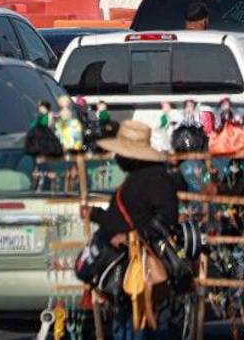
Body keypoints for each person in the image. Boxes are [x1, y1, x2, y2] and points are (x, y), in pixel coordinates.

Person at [86, 120, 181, 338]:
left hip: (145, 267)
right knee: (127, 324)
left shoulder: (157, 180)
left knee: (145, 325)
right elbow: (121, 218)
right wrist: (96, 215)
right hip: (126, 267)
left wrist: (133, 236)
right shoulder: (137, 179)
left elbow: (166, 218)